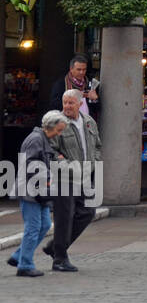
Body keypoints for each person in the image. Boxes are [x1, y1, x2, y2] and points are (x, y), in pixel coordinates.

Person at [47, 89, 100, 272]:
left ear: (79, 103)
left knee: (88, 212)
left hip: (84, 175)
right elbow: (49, 151)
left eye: (71, 103)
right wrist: (63, 163)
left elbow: (97, 145)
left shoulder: (89, 122)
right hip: (64, 178)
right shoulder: (56, 122)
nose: (67, 106)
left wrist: (95, 162)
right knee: (64, 217)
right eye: (65, 103)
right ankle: (59, 259)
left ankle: (55, 246)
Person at [9, 111, 68, 277]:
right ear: (51, 126)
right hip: (31, 191)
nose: (59, 133)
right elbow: (30, 164)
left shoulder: (41, 139)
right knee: (34, 227)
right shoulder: (36, 139)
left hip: (36, 191)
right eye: (59, 129)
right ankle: (25, 264)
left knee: (43, 225)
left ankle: (19, 256)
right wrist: (48, 178)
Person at [50, 54, 98, 118]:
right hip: (68, 123)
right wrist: (71, 101)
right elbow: (54, 105)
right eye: (79, 69)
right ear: (71, 69)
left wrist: (95, 99)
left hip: (86, 123)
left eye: (84, 69)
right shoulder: (61, 84)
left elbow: (97, 108)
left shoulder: (90, 84)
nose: (82, 72)